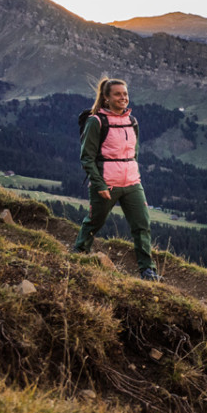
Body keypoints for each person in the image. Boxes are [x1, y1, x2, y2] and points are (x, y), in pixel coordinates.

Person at [72, 78, 159, 280]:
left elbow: (133, 153)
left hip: (132, 183)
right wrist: (100, 183)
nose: (123, 98)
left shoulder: (132, 121)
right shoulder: (96, 121)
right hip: (106, 183)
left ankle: (148, 270)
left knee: (142, 224)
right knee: (95, 221)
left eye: (125, 94)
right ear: (106, 98)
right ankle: (78, 254)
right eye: (118, 94)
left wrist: (133, 174)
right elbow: (87, 157)